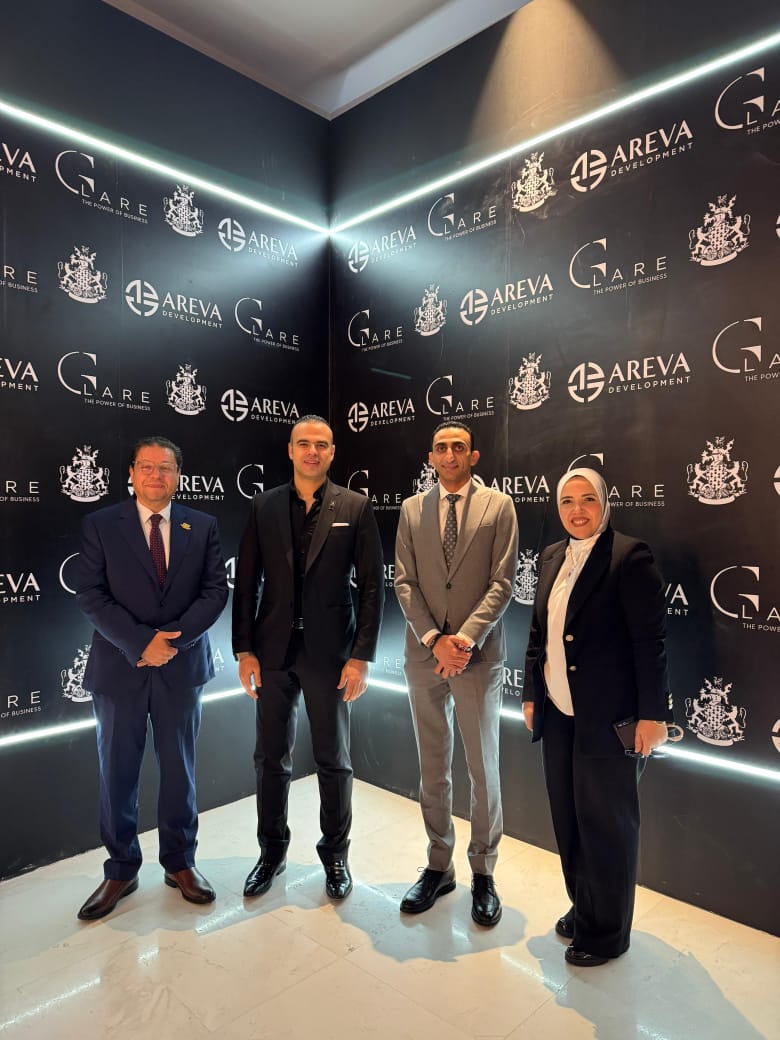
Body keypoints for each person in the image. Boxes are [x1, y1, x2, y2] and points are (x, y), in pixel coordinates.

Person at [522, 467, 673, 966]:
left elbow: (650, 643)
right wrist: (532, 694)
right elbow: (539, 633)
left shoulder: (629, 556)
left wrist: (652, 715)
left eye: (588, 499)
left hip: (608, 718)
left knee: (607, 825)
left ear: (605, 503)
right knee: (568, 818)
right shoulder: (551, 556)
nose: (578, 510)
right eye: (568, 501)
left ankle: (606, 933)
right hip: (559, 713)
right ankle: (585, 906)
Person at [75, 436, 228, 920]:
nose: (156, 475)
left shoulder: (201, 525)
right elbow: (91, 593)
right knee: (117, 772)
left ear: (178, 475)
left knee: (179, 770)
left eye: (165, 468)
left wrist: (171, 643)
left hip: (180, 668)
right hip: (120, 668)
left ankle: (180, 862)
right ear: (131, 473)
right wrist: (142, 642)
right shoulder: (101, 524)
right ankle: (121, 867)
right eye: (147, 467)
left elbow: (214, 591)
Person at [232, 415, 384, 900]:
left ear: (332, 452)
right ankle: (271, 852)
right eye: (304, 443)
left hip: (331, 654)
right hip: (272, 652)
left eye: (321, 444)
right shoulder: (263, 505)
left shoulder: (355, 507)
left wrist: (360, 657)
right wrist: (244, 649)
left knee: (333, 759)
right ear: (291, 450)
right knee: (269, 758)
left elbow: (373, 588)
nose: (312, 451)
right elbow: (246, 583)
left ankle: (335, 855)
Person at [394, 421, 518, 926]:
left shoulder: (499, 506)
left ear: (473, 456)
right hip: (425, 655)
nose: (449, 455)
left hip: (477, 657)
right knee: (432, 765)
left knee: (483, 768)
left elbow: (503, 582)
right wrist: (434, 639)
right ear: (431, 457)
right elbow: (404, 582)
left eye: (458, 447)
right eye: (441, 447)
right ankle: (439, 865)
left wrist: (463, 640)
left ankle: (483, 872)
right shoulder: (411, 509)